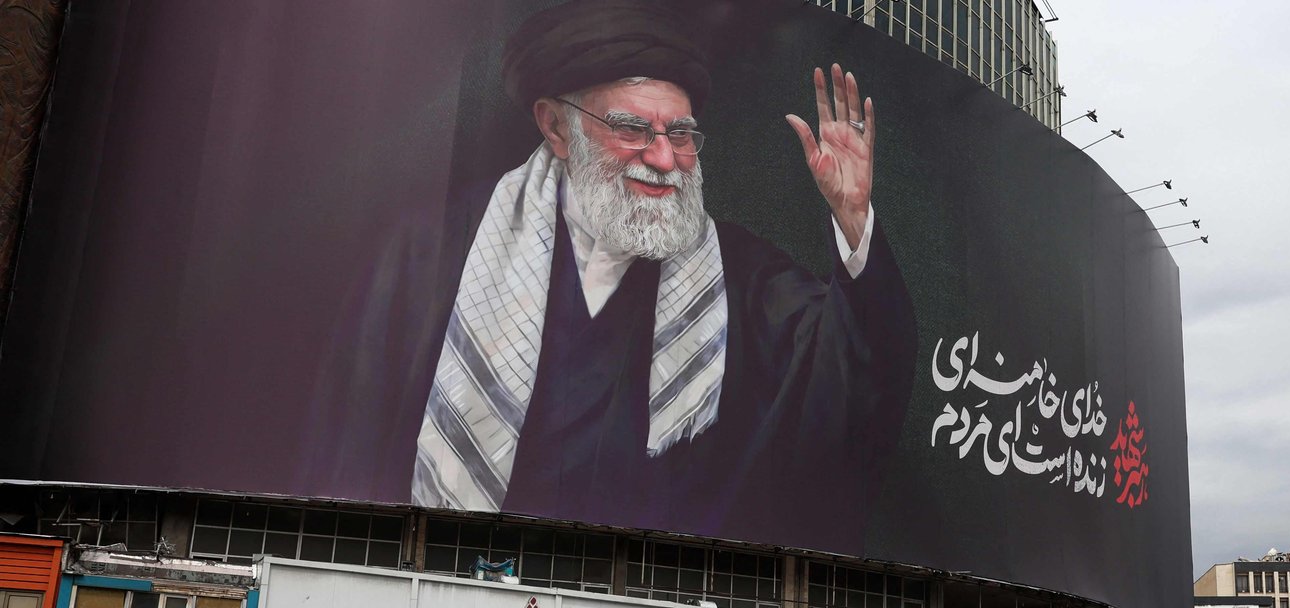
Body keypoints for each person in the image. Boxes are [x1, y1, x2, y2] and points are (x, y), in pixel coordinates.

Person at [305, 0, 917, 556]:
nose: (662, 158)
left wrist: (853, 216)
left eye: (680, 134)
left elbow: (853, 366)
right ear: (555, 127)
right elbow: (348, 460)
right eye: (631, 130)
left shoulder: (740, 277)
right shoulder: (435, 260)